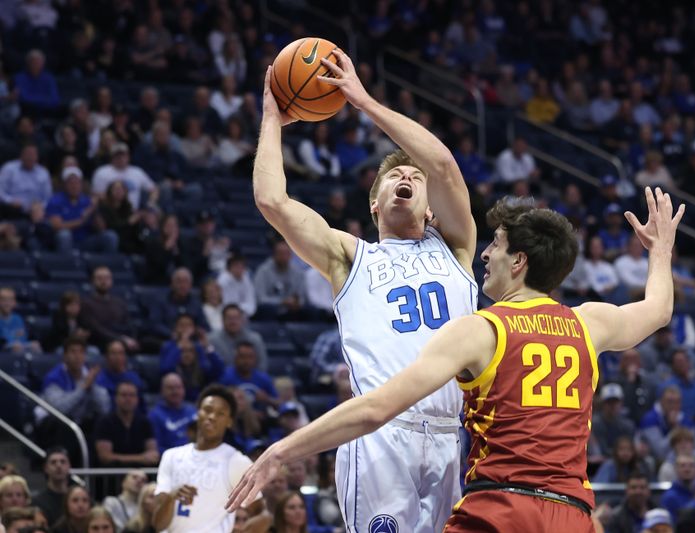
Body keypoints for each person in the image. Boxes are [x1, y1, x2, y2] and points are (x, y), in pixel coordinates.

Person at [229, 187, 685, 532]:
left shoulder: (482, 329)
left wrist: (282, 450)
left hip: (501, 508)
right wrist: (660, 251)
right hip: (572, 512)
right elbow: (659, 310)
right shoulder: (591, 323)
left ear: (519, 261)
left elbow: (375, 408)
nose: (486, 253)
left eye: (498, 245)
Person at [240, 50, 479, 533]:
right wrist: (271, 118)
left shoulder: (456, 248)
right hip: (380, 435)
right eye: (394, 175)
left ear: (432, 209)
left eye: (415, 177)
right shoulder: (351, 257)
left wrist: (363, 101)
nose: (407, 178)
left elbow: (445, 167)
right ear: (374, 203)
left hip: (451, 438)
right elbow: (272, 200)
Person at [152, 385, 262, 532]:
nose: (212, 417)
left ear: (229, 421)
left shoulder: (237, 461)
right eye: (208, 410)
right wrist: (172, 496)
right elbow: (158, 524)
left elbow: (263, 513)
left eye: (220, 413)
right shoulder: (171, 456)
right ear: (198, 413)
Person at [93, 381, 160, 467]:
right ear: (116, 398)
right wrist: (141, 458)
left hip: (140, 476)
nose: (128, 399)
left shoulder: (144, 422)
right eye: (124, 395)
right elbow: (105, 457)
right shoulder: (104, 422)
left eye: (132, 395)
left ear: (137, 399)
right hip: (112, 476)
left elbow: (153, 454)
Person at [32, 447, 71, 525]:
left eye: (63, 462)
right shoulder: (37, 502)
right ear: (45, 468)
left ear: (69, 466)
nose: (58, 465)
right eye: (53, 462)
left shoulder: (79, 499)